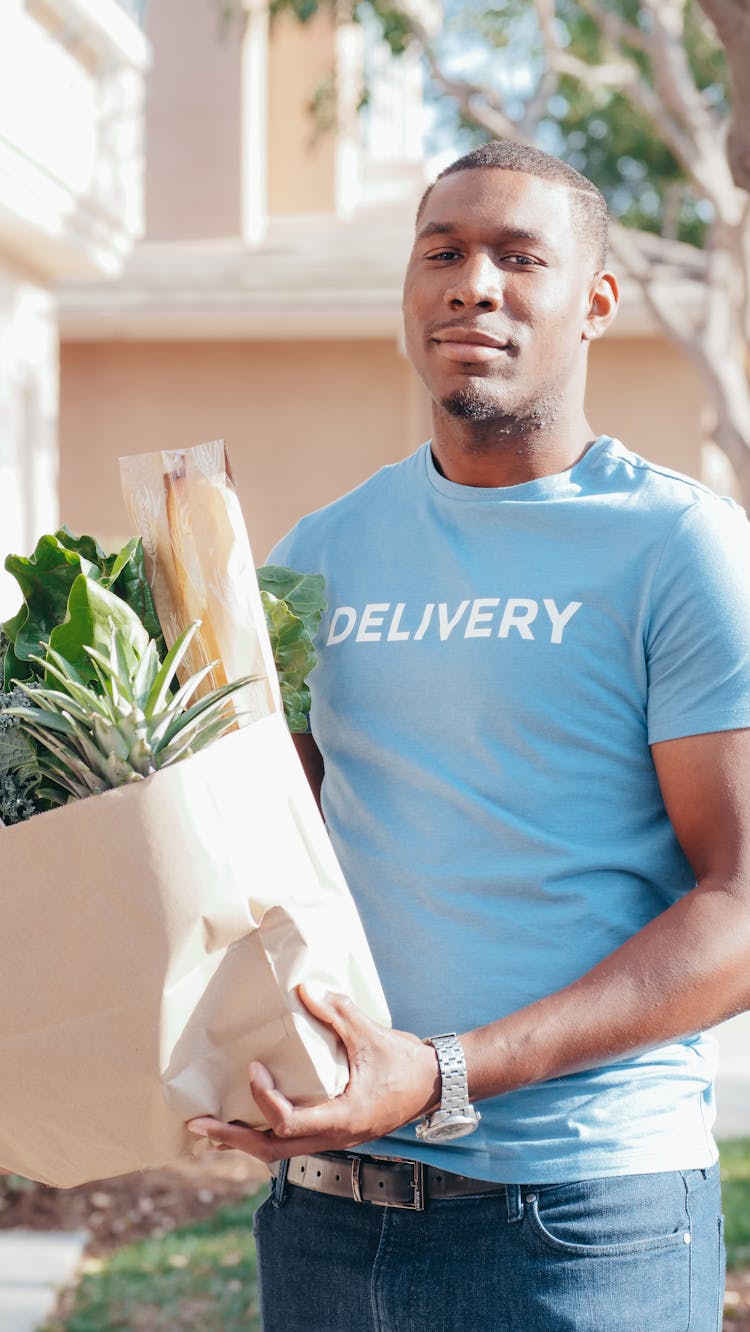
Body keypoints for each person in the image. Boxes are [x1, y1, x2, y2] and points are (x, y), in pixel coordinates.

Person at [188, 141, 750, 1331]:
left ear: (594, 301)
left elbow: (742, 905)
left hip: (586, 1223)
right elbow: (252, 863)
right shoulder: (317, 554)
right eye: (442, 252)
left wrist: (444, 1072)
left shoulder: (679, 548)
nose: (471, 284)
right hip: (331, 1212)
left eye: (518, 257)